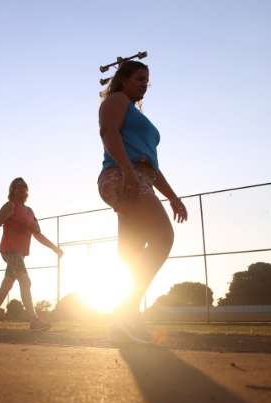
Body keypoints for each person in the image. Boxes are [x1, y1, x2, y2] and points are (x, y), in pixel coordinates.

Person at [98, 60, 188, 340]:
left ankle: (121, 320)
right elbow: (108, 133)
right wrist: (126, 171)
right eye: (139, 78)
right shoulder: (116, 100)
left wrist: (172, 197)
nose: (144, 84)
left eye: (147, 80)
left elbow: (151, 166)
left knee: (130, 253)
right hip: (121, 174)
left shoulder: (136, 112)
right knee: (163, 237)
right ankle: (126, 312)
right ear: (123, 79)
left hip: (139, 176)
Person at [0, 177, 63, 331]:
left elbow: (37, 234)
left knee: (6, 285)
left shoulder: (29, 211)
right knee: (25, 282)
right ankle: (34, 320)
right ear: (13, 190)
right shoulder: (9, 207)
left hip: (20, 254)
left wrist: (54, 248)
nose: (23, 190)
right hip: (10, 251)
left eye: (25, 187)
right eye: (19, 187)